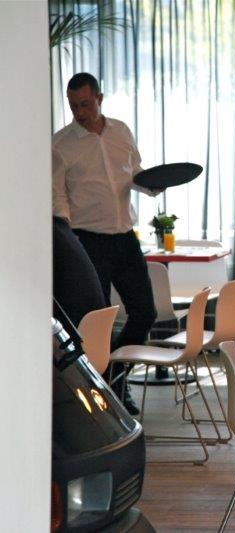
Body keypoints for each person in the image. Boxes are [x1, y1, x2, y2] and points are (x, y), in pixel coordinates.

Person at [52, 72, 160, 414]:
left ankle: (114, 378)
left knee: (145, 313)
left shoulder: (121, 131)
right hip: (86, 241)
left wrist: (152, 185)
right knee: (94, 323)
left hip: (125, 238)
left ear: (99, 98)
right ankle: (100, 396)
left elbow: (134, 173)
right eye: (73, 106)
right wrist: (65, 237)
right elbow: (57, 195)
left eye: (85, 104)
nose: (79, 113)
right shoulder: (60, 143)